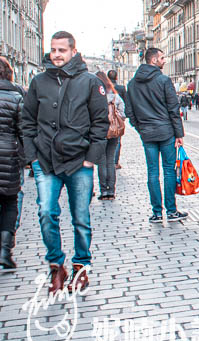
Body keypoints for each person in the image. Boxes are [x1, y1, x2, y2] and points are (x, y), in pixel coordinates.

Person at [21, 32, 109, 293]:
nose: (57, 55)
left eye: (62, 50)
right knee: (46, 213)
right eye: (53, 50)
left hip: (78, 161)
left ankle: (82, 267)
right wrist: (32, 157)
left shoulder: (90, 82)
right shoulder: (39, 82)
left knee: (81, 218)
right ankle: (56, 266)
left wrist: (91, 159)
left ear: (73, 51)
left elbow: (100, 123)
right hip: (46, 162)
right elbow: (27, 121)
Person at [126, 48, 187, 223]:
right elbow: (173, 109)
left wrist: (140, 128)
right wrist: (178, 133)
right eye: (162, 57)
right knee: (168, 171)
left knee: (152, 172)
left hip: (147, 133)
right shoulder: (163, 80)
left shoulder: (132, 84)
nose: (164, 60)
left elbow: (130, 111)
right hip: (166, 131)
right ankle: (171, 211)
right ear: (153, 60)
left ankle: (157, 213)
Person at [0, 56, 24, 270]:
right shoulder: (16, 97)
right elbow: (24, 129)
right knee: (9, 202)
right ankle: (5, 250)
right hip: (9, 154)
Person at [94, 71, 125, 201]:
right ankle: (111, 191)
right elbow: (123, 114)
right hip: (114, 132)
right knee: (111, 160)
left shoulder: (95, 96)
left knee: (101, 161)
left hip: (99, 131)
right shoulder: (115, 97)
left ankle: (103, 191)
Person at [107, 69, 127, 169]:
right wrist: (123, 117)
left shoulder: (104, 88)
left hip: (106, 119)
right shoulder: (121, 88)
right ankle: (115, 162)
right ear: (116, 78)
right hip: (118, 118)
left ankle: (108, 160)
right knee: (117, 140)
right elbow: (125, 103)